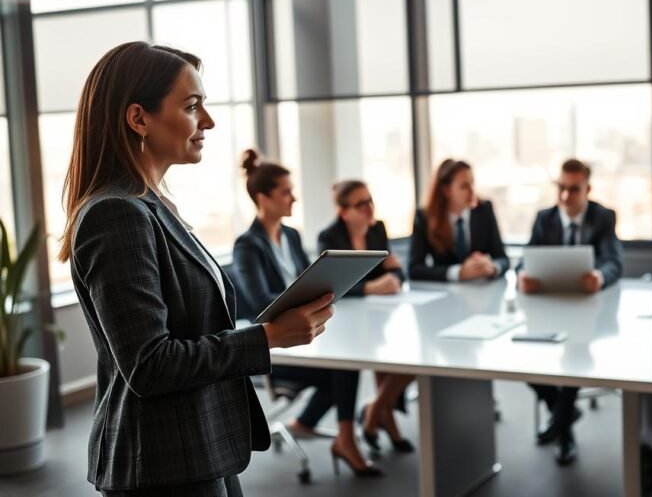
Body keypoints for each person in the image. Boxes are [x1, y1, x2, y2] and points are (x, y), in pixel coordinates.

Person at [61, 42, 334, 497]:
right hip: (162, 463)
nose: (207, 121)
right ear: (138, 118)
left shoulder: (152, 205)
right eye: (192, 106)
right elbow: (150, 364)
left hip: (199, 444)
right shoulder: (117, 215)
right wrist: (268, 336)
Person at [232, 152, 380, 477]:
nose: (294, 198)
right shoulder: (247, 246)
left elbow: (305, 281)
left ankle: (309, 425)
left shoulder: (291, 235)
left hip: (306, 338)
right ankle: (346, 441)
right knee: (344, 369)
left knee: (346, 362)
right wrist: (304, 300)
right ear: (263, 198)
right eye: (285, 192)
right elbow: (260, 304)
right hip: (276, 347)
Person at [518, 158, 624, 465]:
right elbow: (524, 259)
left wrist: (599, 277)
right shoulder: (544, 219)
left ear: (587, 190)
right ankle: (564, 412)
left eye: (573, 190)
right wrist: (524, 274)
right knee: (520, 358)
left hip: (589, 309)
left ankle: (563, 431)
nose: (565, 196)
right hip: (546, 307)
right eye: (561, 188)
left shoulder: (603, 217)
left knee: (576, 352)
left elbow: (614, 261)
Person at [317, 180, 415, 454]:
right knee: (383, 356)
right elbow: (329, 286)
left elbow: (395, 270)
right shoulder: (329, 238)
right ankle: (383, 416)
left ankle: (377, 410)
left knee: (405, 357)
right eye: (361, 204)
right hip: (345, 322)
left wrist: (394, 277)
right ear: (343, 211)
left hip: (379, 316)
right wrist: (371, 286)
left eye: (370, 201)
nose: (369, 208)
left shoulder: (377, 229)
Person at [408, 159, 510, 282]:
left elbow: (503, 258)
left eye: (472, 183)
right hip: (444, 292)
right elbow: (414, 269)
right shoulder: (425, 217)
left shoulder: (484, 209)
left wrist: (492, 267)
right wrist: (459, 272)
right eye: (464, 186)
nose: (472, 191)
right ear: (446, 191)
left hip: (481, 290)